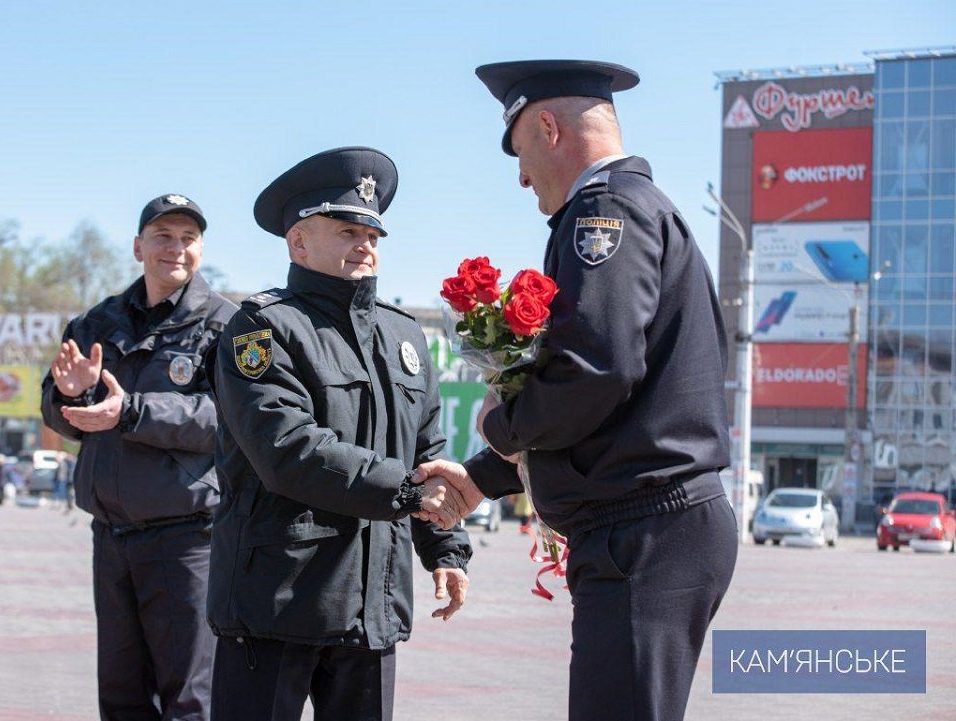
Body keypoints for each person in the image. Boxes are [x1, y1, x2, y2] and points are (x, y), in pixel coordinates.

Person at [416, 61, 739, 721]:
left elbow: (596, 369)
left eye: (519, 149)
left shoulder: (604, 210)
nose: (520, 173)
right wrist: (484, 477)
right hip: (654, 526)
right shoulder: (637, 206)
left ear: (547, 126)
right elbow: (613, 408)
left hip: (643, 532)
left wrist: (499, 425)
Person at [208, 147, 474, 721]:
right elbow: (289, 449)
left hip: (371, 608)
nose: (366, 244)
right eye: (347, 229)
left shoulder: (405, 337)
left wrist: (445, 548)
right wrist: (407, 491)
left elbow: (426, 452)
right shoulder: (262, 326)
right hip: (277, 602)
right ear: (298, 242)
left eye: (374, 232)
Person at [40, 194, 236, 721]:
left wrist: (133, 411)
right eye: (162, 236)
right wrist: (74, 398)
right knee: (122, 697)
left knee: (190, 698)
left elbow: (230, 421)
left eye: (187, 238)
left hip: (188, 539)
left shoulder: (228, 325)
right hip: (111, 537)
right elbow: (56, 413)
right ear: (137, 247)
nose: (175, 248)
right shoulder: (96, 322)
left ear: (201, 249)